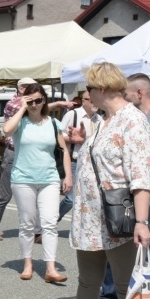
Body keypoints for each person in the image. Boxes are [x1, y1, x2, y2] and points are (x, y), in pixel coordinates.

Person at [55, 62, 150, 299]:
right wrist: (78, 141)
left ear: (101, 89)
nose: (87, 95)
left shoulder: (133, 121)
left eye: (89, 89)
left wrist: (141, 222)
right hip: (90, 219)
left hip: (119, 219)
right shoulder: (100, 120)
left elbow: (140, 175)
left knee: (127, 286)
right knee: (88, 281)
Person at [94, 73, 150, 299]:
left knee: (148, 249)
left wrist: (128, 166)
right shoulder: (129, 118)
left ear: (139, 93)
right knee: (116, 243)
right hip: (127, 192)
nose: (123, 97)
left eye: (126, 93)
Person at [3, 83, 72, 283]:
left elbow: (64, 150)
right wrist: (22, 107)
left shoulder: (53, 123)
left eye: (38, 100)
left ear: (44, 100)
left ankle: (50, 267)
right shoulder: (19, 123)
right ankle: (28, 264)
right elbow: (6, 130)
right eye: (30, 101)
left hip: (49, 178)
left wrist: (68, 176)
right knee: (27, 223)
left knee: (50, 223)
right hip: (23, 179)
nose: (34, 105)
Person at [0, 78, 74, 242]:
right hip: (14, 154)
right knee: (4, 196)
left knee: (39, 198)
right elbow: (11, 126)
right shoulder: (14, 104)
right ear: (22, 89)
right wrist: (49, 103)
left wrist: (57, 103)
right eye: (31, 94)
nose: (34, 103)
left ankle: (38, 231)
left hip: (33, 158)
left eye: (38, 99)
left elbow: (39, 109)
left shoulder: (35, 108)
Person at [57, 92, 100, 222]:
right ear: (83, 101)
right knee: (71, 198)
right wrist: (73, 139)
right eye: (91, 100)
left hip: (93, 163)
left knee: (89, 197)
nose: (94, 102)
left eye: (96, 99)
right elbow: (58, 135)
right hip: (75, 161)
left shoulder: (99, 119)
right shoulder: (73, 114)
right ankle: (51, 221)